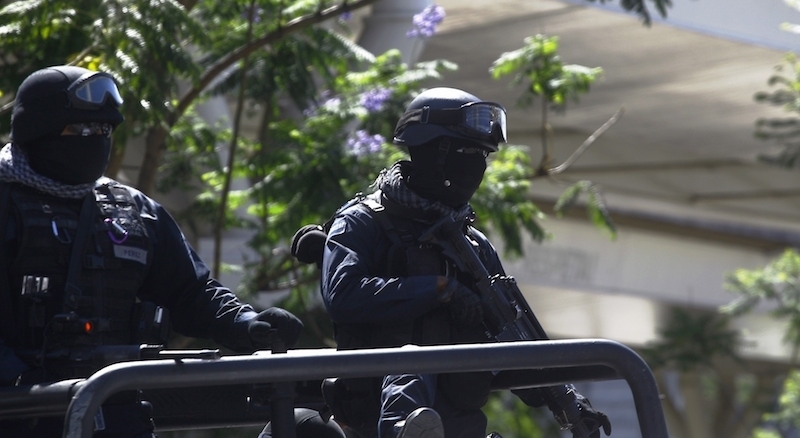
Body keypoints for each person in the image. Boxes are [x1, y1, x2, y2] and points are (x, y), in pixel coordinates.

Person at [0, 65, 329, 437]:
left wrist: (247, 325)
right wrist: (22, 381)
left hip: (117, 409)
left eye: (105, 130)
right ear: (38, 131)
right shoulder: (7, 200)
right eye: (81, 130)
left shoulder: (133, 210)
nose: (96, 139)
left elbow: (191, 292)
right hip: (21, 411)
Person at [320, 87, 612, 438]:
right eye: (467, 152)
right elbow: (343, 295)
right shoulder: (363, 220)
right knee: (411, 360)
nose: (476, 165)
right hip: (370, 419)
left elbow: (516, 337)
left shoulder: (472, 244)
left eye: (483, 155)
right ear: (430, 151)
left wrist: (567, 399)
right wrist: (440, 289)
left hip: (461, 425)